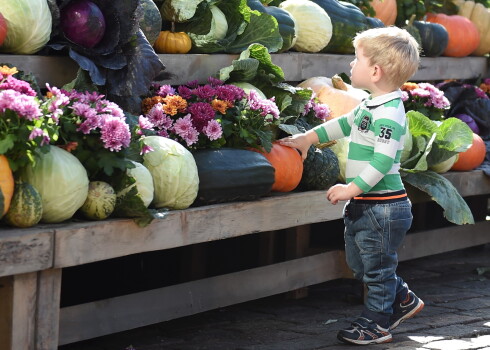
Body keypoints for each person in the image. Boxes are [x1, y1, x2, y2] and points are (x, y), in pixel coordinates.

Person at [279, 26, 424, 345]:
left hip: (385, 207)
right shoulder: (369, 105)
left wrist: (351, 188)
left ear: (375, 70)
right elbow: (343, 124)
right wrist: (309, 137)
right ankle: (401, 297)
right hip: (366, 206)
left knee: (376, 270)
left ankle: (377, 324)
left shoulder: (389, 113)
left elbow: (382, 161)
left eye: (356, 59)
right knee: (361, 264)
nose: (350, 65)